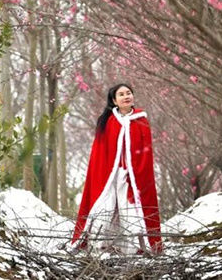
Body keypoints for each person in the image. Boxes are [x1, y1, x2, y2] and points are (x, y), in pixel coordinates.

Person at [70, 83, 163, 254]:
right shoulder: (107, 122)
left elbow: (145, 153)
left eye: (129, 93)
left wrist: (134, 171)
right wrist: (109, 172)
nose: (126, 96)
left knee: (130, 212)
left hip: (132, 178)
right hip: (108, 177)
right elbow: (99, 154)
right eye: (121, 94)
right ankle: (98, 248)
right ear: (114, 100)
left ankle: (134, 251)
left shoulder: (141, 121)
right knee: (104, 210)